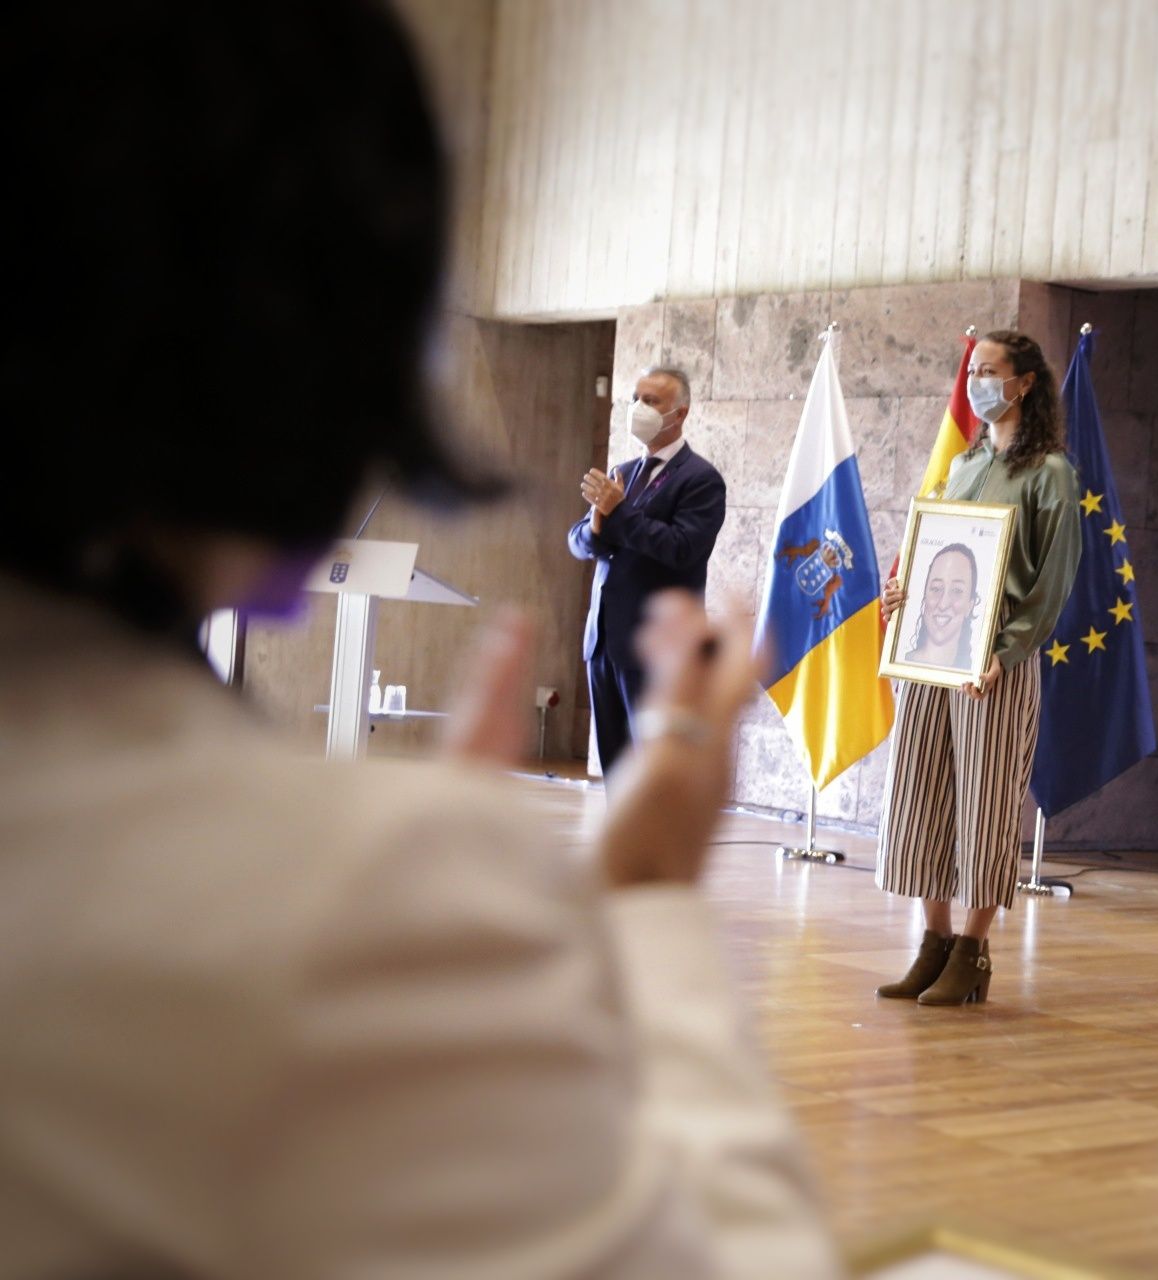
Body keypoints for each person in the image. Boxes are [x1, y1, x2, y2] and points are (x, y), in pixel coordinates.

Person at [0, 5, 841, 1276]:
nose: (648, 404)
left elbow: (670, 555)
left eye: (661, 394)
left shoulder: (699, 480)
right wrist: (648, 897)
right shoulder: (336, 899)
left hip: (640, 623)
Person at [872, 331, 1083, 1006]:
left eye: (989, 371)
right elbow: (935, 555)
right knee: (920, 796)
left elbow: (1051, 584)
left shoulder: (1050, 473)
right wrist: (902, 597)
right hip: (933, 657)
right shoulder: (961, 466)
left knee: (986, 806)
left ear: (1024, 383)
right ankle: (931, 945)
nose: (976, 382)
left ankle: (972, 951)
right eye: (971, 370)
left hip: (994, 663)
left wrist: (1005, 651)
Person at [569, 367, 727, 773]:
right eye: (636, 398)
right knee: (616, 767)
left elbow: (681, 548)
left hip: (658, 650)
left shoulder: (701, 480)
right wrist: (597, 524)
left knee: (655, 773)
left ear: (680, 413)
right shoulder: (623, 472)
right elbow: (578, 540)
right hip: (604, 642)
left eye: (651, 401)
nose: (639, 408)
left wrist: (617, 512)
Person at [902, 542, 980, 672]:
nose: (943, 604)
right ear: (924, 595)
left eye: (957, 591)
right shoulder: (901, 663)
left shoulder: (973, 671)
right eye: (936, 588)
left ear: (970, 605)